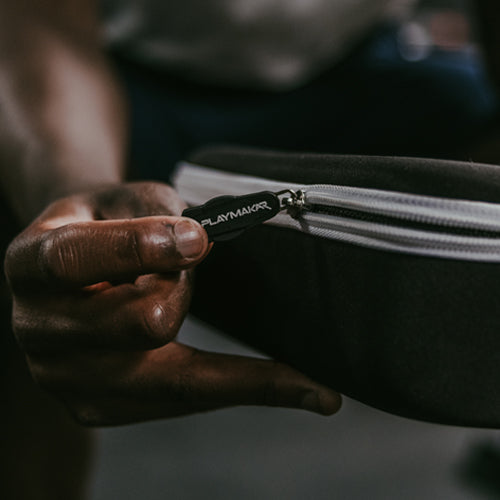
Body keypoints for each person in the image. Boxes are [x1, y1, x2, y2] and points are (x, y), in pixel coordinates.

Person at [1, 0, 499, 498]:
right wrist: (76, 193)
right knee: (51, 280)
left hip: (359, 68)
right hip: (129, 83)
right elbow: (43, 20)